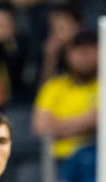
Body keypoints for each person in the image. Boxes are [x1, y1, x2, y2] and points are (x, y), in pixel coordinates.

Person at [32, 30, 98, 164]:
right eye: (78, 50)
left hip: (96, 158)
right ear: (68, 54)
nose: (84, 57)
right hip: (57, 161)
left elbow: (104, 119)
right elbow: (41, 128)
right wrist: (89, 121)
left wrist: (58, 125)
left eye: (90, 50)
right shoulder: (53, 86)